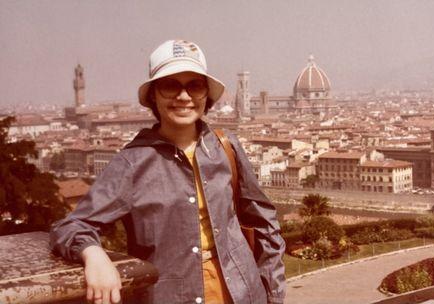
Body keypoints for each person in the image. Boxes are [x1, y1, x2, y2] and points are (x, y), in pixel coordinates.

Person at [50, 40, 286, 304]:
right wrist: (93, 254)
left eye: (194, 85)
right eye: (170, 85)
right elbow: (72, 225)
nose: (183, 97)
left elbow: (264, 224)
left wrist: (273, 294)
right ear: (153, 95)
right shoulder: (132, 163)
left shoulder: (225, 147)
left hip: (242, 293)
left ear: (206, 94)